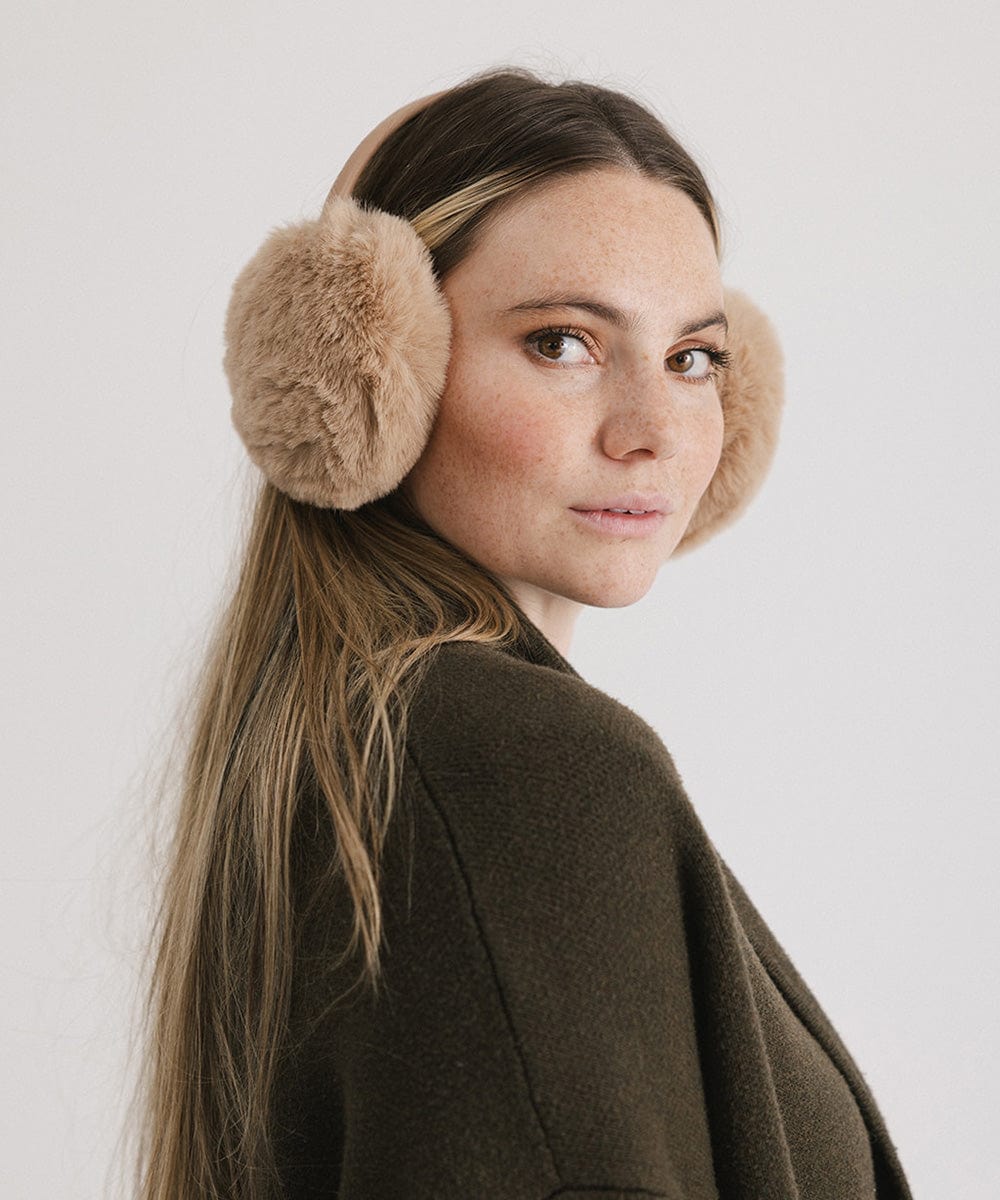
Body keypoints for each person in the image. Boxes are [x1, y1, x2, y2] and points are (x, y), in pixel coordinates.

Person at [136, 65, 914, 1199]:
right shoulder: (520, 763)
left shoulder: (361, 748)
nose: (654, 430)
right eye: (563, 342)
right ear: (370, 374)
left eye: (693, 357)